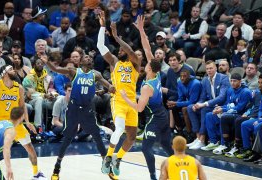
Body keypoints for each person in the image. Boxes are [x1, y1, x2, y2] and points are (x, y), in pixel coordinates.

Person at [38, 53, 115, 180]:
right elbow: (56, 69)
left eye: (90, 57)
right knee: (68, 138)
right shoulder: (73, 71)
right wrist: (47, 62)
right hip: (73, 109)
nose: (89, 58)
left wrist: (112, 87)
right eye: (86, 57)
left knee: (97, 137)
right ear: (80, 61)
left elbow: (109, 86)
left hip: (87, 109)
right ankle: (57, 166)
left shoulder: (96, 74)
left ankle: (107, 166)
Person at [120, 15, 172, 180]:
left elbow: (139, 108)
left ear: (150, 68)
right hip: (163, 115)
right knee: (165, 144)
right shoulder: (156, 75)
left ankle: (152, 177)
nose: (145, 63)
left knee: (145, 148)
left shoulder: (147, 87)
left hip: (155, 118)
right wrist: (142, 30)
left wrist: (125, 97)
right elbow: (147, 47)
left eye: (147, 63)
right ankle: (182, 164)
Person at [97, 11, 141, 177]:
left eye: (124, 49)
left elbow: (130, 50)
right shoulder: (114, 62)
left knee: (131, 137)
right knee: (120, 128)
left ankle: (118, 159)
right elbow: (101, 46)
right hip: (118, 100)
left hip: (132, 103)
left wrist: (116, 37)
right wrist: (102, 27)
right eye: (120, 49)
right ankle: (108, 158)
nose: (122, 51)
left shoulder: (136, 63)